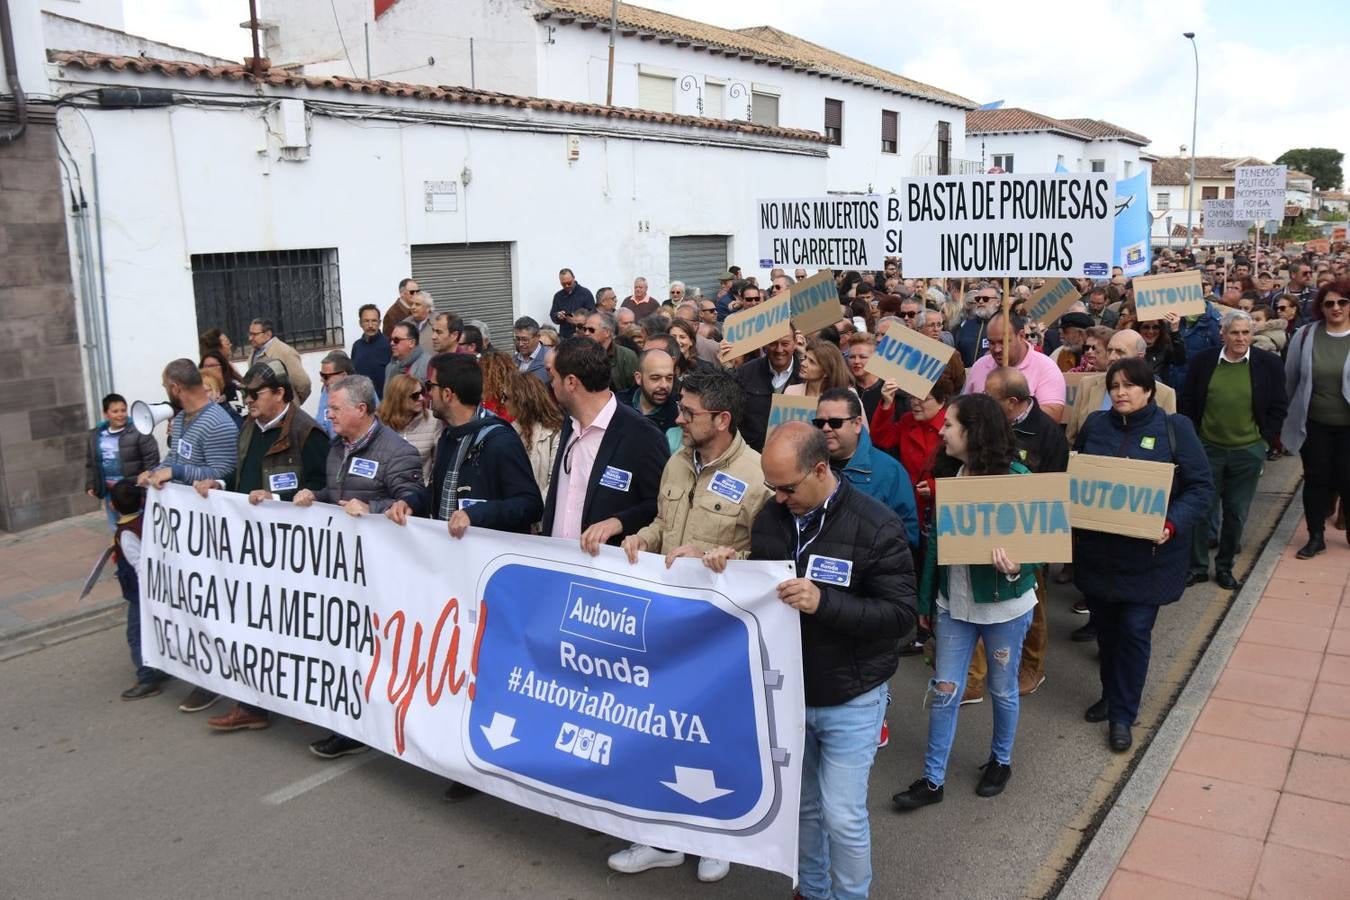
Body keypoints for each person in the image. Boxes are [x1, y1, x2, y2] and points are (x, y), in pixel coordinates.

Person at [740, 423, 915, 900]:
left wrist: (826, 603)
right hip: (792, 695)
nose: (778, 498)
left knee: (842, 814)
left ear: (820, 470)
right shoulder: (772, 518)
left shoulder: (877, 525)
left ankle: (851, 895)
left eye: (787, 488)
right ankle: (812, 890)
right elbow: (756, 582)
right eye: (772, 487)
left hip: (851, 698)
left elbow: (902, 616)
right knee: (803, 808)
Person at [608, 370, 769, 885]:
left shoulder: (759, 474)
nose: (677, 419)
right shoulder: (677, 460)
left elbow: (767, 557)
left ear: (721, 419)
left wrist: (722, 555)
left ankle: (716, 839)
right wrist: (640, 538)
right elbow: (661, 524)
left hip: (719, 633)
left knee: (714, 735)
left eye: (688, 412)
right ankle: (660, 839)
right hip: (664, 623)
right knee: (656, 730)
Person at [892, 394, 1039, 813]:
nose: (941, 431)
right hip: (952, 604)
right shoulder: (951, 475)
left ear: (973, 432)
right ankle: (932, 779)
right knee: (945, 689)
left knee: (1001, 687)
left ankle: (1001, 761)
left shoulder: (1018, 479)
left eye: (950, 425)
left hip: (1003, 607)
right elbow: (937, 545)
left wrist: (1017, 565)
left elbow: (1044, 545)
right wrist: (926, 600)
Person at [1074, 358, 1213, 751]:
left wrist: (1170, 524)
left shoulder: (1174, 429)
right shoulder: (1095, 426)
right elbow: (1078, 479)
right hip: (1100, 555)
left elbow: (1201, 489)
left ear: (1149, 390)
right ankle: (1111, 694)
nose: (1120, 392)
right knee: (1107, 631)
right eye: (1114, 385)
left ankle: (1122, 714)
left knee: (1134, 631)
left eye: (1130, 385)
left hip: (1149, 560)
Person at [294, 374, 426, 760]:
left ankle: (385, 723)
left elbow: (412, 501)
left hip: (382, 576)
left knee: (379, 654)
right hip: (343, 572)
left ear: (362, 409)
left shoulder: (396, 451)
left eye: (335, 408)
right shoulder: (338, 447)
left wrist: (373, 510)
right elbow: (337, 496)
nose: (328, 415)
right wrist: (312, 496)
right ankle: (350, 723)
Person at [195, 360, 329, 732]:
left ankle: (308, 700)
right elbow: (240, 473)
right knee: (249, 624)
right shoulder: (249, 427)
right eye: (245, 395)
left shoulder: (308, 432)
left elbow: (322, 488)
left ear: (281, 394)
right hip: (250, 547)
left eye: (256, 395)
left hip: (290, 550)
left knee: (293, 628)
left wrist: (279, 496)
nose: (249, 401)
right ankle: (251, 703)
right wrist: (218, 485)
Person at [137, 358, 240, 714]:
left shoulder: (218, 422)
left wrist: (175, 471)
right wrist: (153, 471)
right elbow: (173, 458)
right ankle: (197, 667)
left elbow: (224, 472)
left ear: (176, 387)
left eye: (166, 386)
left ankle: (215, 678)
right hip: (185, 532)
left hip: (209, 531)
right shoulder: (180, 420)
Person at [971, 368, 1069, 700]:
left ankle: (1032, 665)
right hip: (987, 522)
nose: (984, 402)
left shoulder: (1047, 434)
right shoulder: (990, 426)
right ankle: (978, 671)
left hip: (1027, 529)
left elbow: (1053, 490)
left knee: (1033, 602)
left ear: (1012, 402)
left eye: (990, 397)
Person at [1180, 310, 1287, 589]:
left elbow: (1278, 406)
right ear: (1222, 334)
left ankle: (1225, 567)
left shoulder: (1268, 364)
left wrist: (1263, 443)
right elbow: (1188, 401)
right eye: (1234, 332)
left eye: (1245, 332)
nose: (1241, 338)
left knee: (1236, 512)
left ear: (1252, 334)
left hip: (1247, 452)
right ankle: (1198, 566)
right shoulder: (1204, 362)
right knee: (1202, 509)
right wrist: (1194, 441)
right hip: (1207, 449)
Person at [540, 337, 669, 553]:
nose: (550, 384)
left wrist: (618, 522)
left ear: (571, 382)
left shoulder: (643, 435)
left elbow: (661, 507)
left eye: (552, 377)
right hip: (557, 563)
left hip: (603, 572)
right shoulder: (569, 423)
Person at [1281, 278, 1350, 559]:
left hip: (1349, 428)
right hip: (1314, 424)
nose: (1336, 308)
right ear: (1320, 307)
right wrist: (1283, 420)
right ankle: (1316, 536)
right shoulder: (1306, 335)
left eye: (1342, 302)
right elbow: (1290, 379)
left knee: (1347, 479)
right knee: (1316, 480)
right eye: (1329, 303)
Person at [815, 388, 919, 549]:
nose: (826, 428)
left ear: (857, 424)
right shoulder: (807, 467)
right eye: (820, 423)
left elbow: (908, 535)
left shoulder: (890, 471)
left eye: (835, 422)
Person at [108, 477, 167, 700]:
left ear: (113, 506)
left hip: (140, 593)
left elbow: (140, 565)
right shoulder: (148, 520)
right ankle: (159, 667)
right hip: (153, 588)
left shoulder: (126, 532)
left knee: (136, 635)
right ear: (142, 500)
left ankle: (147, 678)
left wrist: (147, 594)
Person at [1066, 329, 1179, 446]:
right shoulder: (1087, 385)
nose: (1112, 357)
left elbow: (1168, 444)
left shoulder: (1164, 394)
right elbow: (1071, 439)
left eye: (1120, 352)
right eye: (1109, 350)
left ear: (1139, 357)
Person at [965, 310, 1066, 423]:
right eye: (991, 343)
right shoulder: (980, 366)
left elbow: (1053, 416)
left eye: (1003, 342)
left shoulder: (1046, 368)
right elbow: (963, 409)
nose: (997, 349)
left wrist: (1012, 408)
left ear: (1021, 336)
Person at [85, 393, 159, 530]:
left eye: (123, 410)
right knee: (115, 525)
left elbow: (151, 459)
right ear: (106, 414)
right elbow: (91, 462)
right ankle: (119, 546)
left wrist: (148, 477)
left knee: (138, 524)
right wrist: (91, 483)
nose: (120, 414)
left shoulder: (140, 431)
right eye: (115, 411)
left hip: (133, 490)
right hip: (110, 491)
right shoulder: (95, 435)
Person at [505, 369, 563, 520]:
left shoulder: (555, 433)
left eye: (506, 397)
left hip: (541, 521)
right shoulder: (508, 432)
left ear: (521, 399)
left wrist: (530, 512)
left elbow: (554, 484)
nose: (502, 402)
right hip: (516, 518)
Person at [734, 332, 802, 452]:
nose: (779, 349)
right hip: (751, 454)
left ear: (795, 343)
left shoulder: (806, 375)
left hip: (792, 457)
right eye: (773, 344)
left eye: (785, 344)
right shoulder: (745, 372)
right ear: (765, 344)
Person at [377, 373, 442, 485]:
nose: (421, 398)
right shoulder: (379, 422)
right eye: (415, 396)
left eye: (422, 392)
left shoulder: (433, 420)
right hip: (384, 491)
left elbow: (439, 462)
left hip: (418, 492)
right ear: (399, 399)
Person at [617, 347, 682, 453]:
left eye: (669, 378)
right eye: (655, 378)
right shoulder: (618, 405)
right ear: (638, 378)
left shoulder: (678, 415)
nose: (664, 385)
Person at [246, 318, 312, 403]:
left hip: (284, 409)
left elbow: (303, 383)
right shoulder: (254, 352)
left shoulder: (285, 352)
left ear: (268, 334)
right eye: (249, 334)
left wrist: (294, 402)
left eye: (254, 334)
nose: (250, 338)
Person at [581, 310, 639, 393]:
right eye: (584, 329)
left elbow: (634, 390)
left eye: (591, 330)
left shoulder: (626, 356)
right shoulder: (579, 354)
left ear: (607, 332)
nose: (586, 333)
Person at [786, 339, 852, 398]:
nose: (803, 363)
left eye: (812, 362)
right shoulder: (791, 392)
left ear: (826, 371)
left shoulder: (847, 397)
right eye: (805, 358)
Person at [352, 303, 392, 395]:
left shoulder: (389, 345)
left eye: (374, 321)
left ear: (379, 322)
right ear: (360, 323)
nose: (370, 325)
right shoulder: (356, 346)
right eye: (366, 321)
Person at [1138, 312, 1187, 387]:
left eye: (1155, 327)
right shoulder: (1131, 349)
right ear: (1138, 329)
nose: (1151, 331)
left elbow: (1180, 360)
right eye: (1146, 327)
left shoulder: (1164, 348)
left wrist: (1175, 330)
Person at [315, 350, 356, 438]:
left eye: (325, 376)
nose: (322, 380)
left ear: (343, 376)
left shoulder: (364, 392)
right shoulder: (326, 391)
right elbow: (321, 423)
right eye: (321, 375)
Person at [843, 333, 884, 421]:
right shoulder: (844, 388)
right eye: (852, 357)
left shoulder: (888, 389)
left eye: (863, 357)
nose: (856, 361)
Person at [549, 267, 594, 338]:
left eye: (569, 283)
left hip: (583, 335)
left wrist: (577, 321)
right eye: (563, 284)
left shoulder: (585, 293)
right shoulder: (558, 296)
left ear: (574, 278)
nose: (567, 286)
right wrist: (558, 316)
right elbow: (552, 314)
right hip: (565, 335)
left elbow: (592, 314)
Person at [512, 316, 550, 382]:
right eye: (518, 339)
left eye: (525, 340)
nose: (520, 344)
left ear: (538, 337)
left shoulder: (550, 359)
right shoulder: (513, 361)